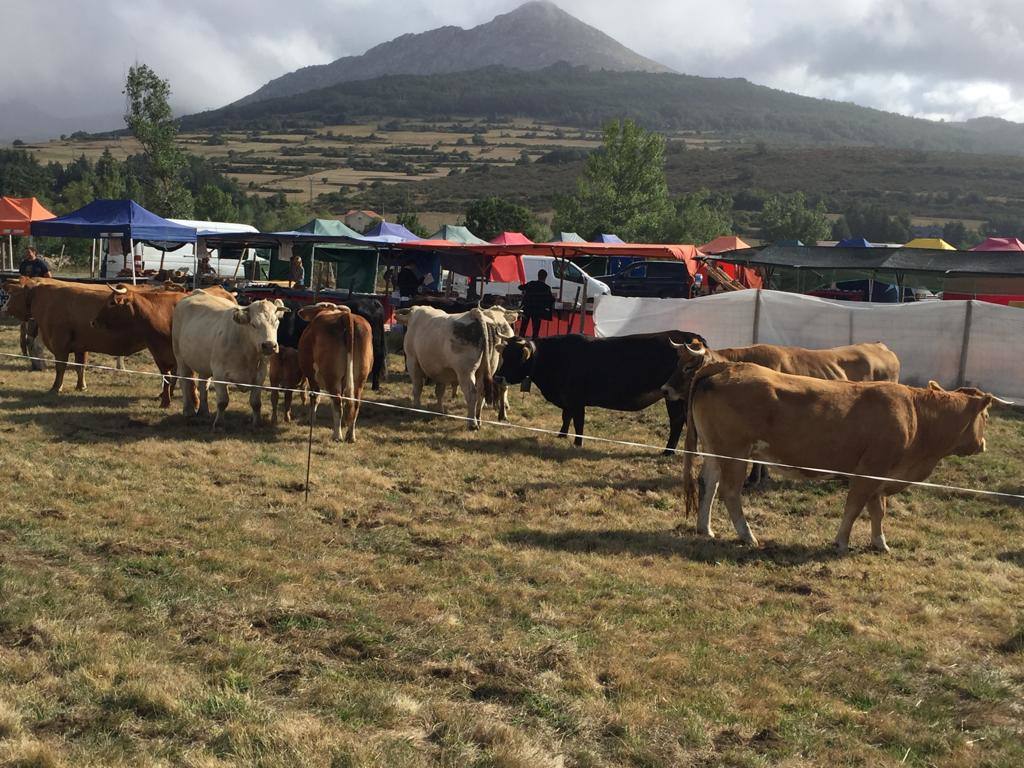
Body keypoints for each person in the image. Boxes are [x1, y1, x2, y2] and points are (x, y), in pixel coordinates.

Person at [518, 268, 554, 339]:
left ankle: (520, 340)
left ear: (538, 276)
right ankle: (534, 342)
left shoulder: (531, 283)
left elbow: (520, 287)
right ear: (545, 278)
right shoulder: (546, 288)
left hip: (527, 308)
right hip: (538, 311)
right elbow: (550, 300)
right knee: (535, 329)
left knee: (523, 327)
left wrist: (525, 290)